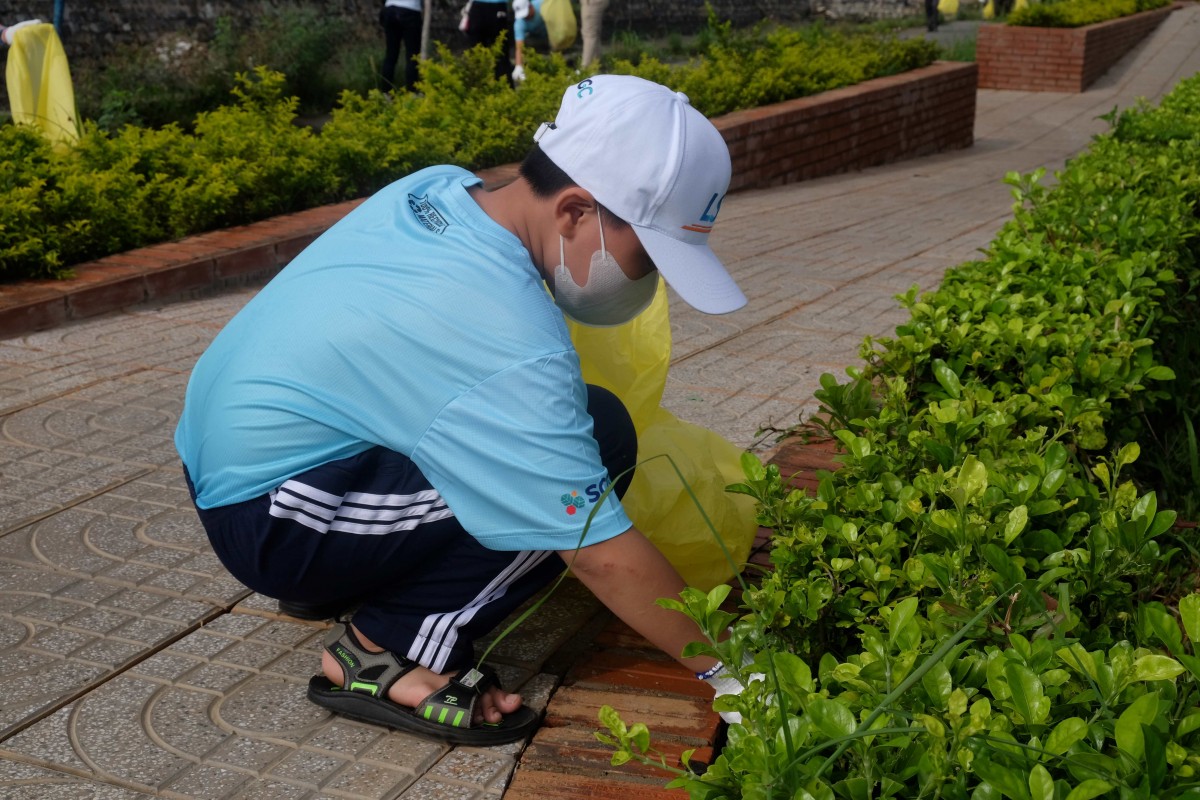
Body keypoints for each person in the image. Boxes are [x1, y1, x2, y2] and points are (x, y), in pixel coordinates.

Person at [175, 74, 750, 745]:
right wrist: (733, 675)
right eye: (648, 256)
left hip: (229, 451)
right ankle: (378, 650)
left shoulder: (437, 189)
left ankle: (340, 570)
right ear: (573, 211)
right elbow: (596, 550)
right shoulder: (509, 337)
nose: (649, 281)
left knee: (544, 441)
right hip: (271, 515)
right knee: (595, 446)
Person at [379, 0, 423, 93]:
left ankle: (386, 93)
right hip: (411, 9)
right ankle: (412, 93)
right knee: (412, 56)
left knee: (390, 55)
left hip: (390, 9)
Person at [463, 0, 512, 82]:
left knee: (498, 52)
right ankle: (501, 88)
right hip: (488, 6)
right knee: (479, 53)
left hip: (489, 6)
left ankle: (479, 88)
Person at [510, 0, 546, 83]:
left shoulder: (541, 4)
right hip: (537, 40)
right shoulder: (519, 23)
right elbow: (519, 46)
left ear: (530, 6)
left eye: (526, 14)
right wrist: (518, 66)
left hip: (551, 34)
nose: (525, 18)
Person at [579, 0, 608, 67]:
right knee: (593, 33)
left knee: (589, 34)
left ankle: (585, 68)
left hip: (591, 2)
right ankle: (595, 65)